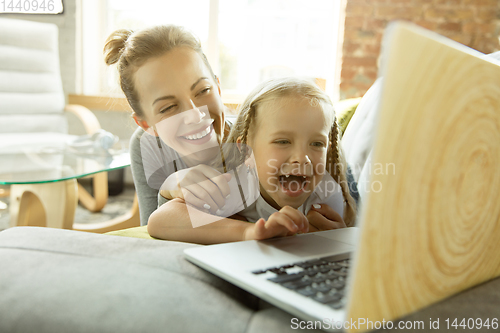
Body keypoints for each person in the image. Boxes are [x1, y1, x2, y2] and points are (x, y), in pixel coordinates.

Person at [148, 77, 357, 244]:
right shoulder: (237, 187)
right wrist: (249, 233)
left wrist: (325, 239)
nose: (302, 158)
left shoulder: (325, 195)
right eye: (283, 141)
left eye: (317, 144)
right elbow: (160, 221)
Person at [103, 25, 233, 225]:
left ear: (218, 87)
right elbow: (151, 233)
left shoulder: (256, 136)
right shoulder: (145, 145)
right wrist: (169, 189)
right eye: (169, 107)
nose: (195, 115)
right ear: (147, 124)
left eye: (203, 90)